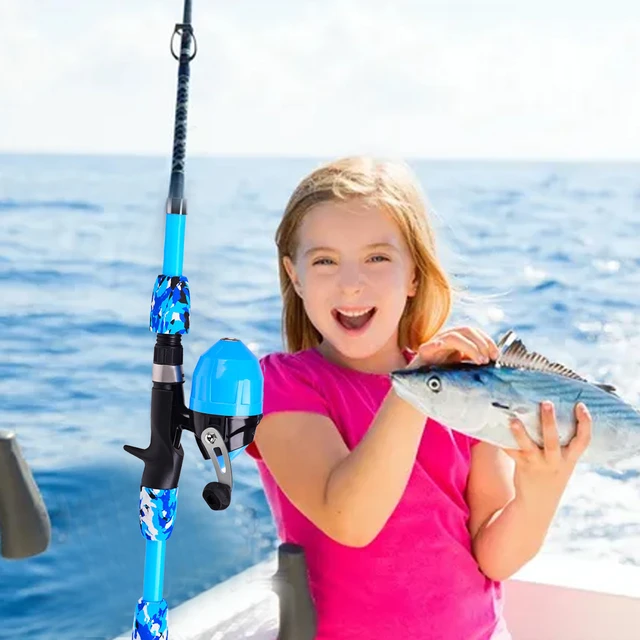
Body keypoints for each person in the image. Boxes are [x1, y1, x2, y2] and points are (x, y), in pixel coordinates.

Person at [245, 156, 591, 639]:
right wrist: (416, 391)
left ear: (414, 274)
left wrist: (543, 490)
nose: (350, 282)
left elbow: (493, 555)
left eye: (377, 258)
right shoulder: (281, 385)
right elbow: (350, 519)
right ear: (295, 276)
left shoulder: (466, 387)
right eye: (324, 260)